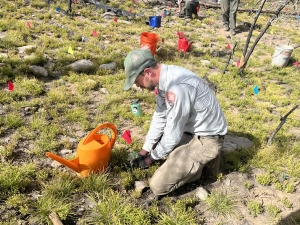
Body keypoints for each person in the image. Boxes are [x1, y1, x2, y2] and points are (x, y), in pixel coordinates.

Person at [123, 49, 227, 201]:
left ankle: (203, 165)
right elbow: (160, 117)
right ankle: (192, 161)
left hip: (208, 138)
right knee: (160, 147)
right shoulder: (166, 80)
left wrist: (150, 159)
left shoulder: (176, 88)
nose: (137, 86)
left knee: (157, 185)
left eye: (136, 80)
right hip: (190, 130)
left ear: (147, 72)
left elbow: (172, 134)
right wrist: (144, 151)